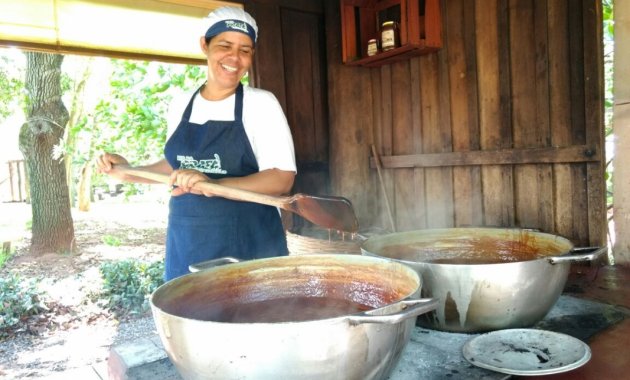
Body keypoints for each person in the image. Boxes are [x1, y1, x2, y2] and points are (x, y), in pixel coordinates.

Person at [96, 6, 296, 281]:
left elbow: (281, 180)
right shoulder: (180, 103)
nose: (234, 58)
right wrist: (128, 171)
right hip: (188, 244)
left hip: (250, 245)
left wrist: (212, 186)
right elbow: (178, 165)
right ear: (205, 44)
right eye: (225, 45)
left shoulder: (261, 104)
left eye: (245, 50)